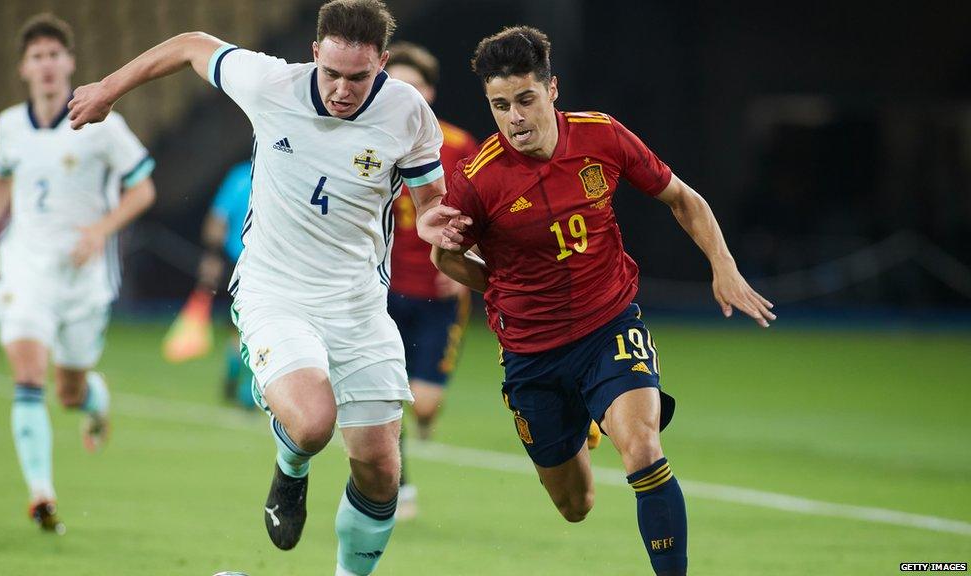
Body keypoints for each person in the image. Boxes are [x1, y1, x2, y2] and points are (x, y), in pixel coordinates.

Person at [67, 1, 461, 574]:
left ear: (381, 64)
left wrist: (436, 228)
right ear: (314, 55)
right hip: (274, 291)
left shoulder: (407, 113)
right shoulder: (272, 83)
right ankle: (291, 466)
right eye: (332, 73)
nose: (343, 90)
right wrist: (108, 87)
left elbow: (428, 206)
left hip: (358, 304)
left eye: (359, 78)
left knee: (380, 468)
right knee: (312, 422)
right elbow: (191, 44)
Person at [430, 27, 776, 576]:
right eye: (500, 106)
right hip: (531, 354)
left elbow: (683, 199)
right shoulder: (476, 181)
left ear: (553, 90)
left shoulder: (602, 137)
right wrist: (502, 288)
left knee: (641, 447)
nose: (515, 117)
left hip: (608, 325)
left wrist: (723, 266)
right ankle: (585, 422)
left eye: (525, 100)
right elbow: (446, 261)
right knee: (576, 506)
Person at [0, 13, 156, 534]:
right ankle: (41, 494)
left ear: (69, 63)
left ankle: (95, 398)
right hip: (26, 267)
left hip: (83, 276)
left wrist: (100, 230)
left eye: (53, 55)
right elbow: (0, 182)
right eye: (36, 57)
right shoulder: (8, 126)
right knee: (26, 372)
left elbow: (144, 189)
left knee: (68, 391)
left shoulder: (101, 123)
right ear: (23, 68)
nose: (45, 65)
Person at [382, 41, 479, 520]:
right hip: (380, 292)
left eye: (413, 87)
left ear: (429, 94)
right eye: (395, 85)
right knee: (387, 392)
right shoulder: (367, 143)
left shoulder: (460, 146)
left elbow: (486, 213)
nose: (404, 94)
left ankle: (423, 419)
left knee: (422, 405)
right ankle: (399, 486)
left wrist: (470, 268)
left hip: (440, 294)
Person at [197, 159, 254, 407]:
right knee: (258, 326)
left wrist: (212, 254)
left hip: (236, 261)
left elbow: (217, 220)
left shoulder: (240, 176)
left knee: (240, 324)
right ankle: (247, 390)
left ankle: (234, 366)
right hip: (266, 262)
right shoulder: (287, 173)